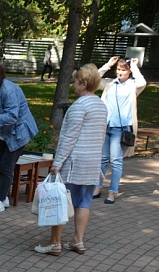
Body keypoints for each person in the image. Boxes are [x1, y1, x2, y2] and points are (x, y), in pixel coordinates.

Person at [33, 64, 108, 256]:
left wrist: (57, 163)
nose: (73, 84)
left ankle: (54, 243)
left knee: (60, 201)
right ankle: (78, 240)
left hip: (75, 162)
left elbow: (69, 137)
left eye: (75, 81)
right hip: (92, 162)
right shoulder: (101, 105)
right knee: (84, 202)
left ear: (83, 83)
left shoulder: (79, 106)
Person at [0, 62, 38, 214]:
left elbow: (11, 117)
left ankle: (1, 199)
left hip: (17, 133)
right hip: (2, 132)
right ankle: (2, 197)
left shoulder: (8, 91)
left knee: (6, 166)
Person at [94, 56, 146, 204]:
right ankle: (97, 187)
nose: (120, 72)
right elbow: (94, 79)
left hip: (121, 129)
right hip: (106, 126)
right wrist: (108, 64)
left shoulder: (133, 86)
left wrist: (134, 67)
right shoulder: (110, 84)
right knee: (102, 159)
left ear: (129, 72)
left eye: (123, 70)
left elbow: (142, 83)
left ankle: (112, 191)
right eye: (118, 69)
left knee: (116, 160)